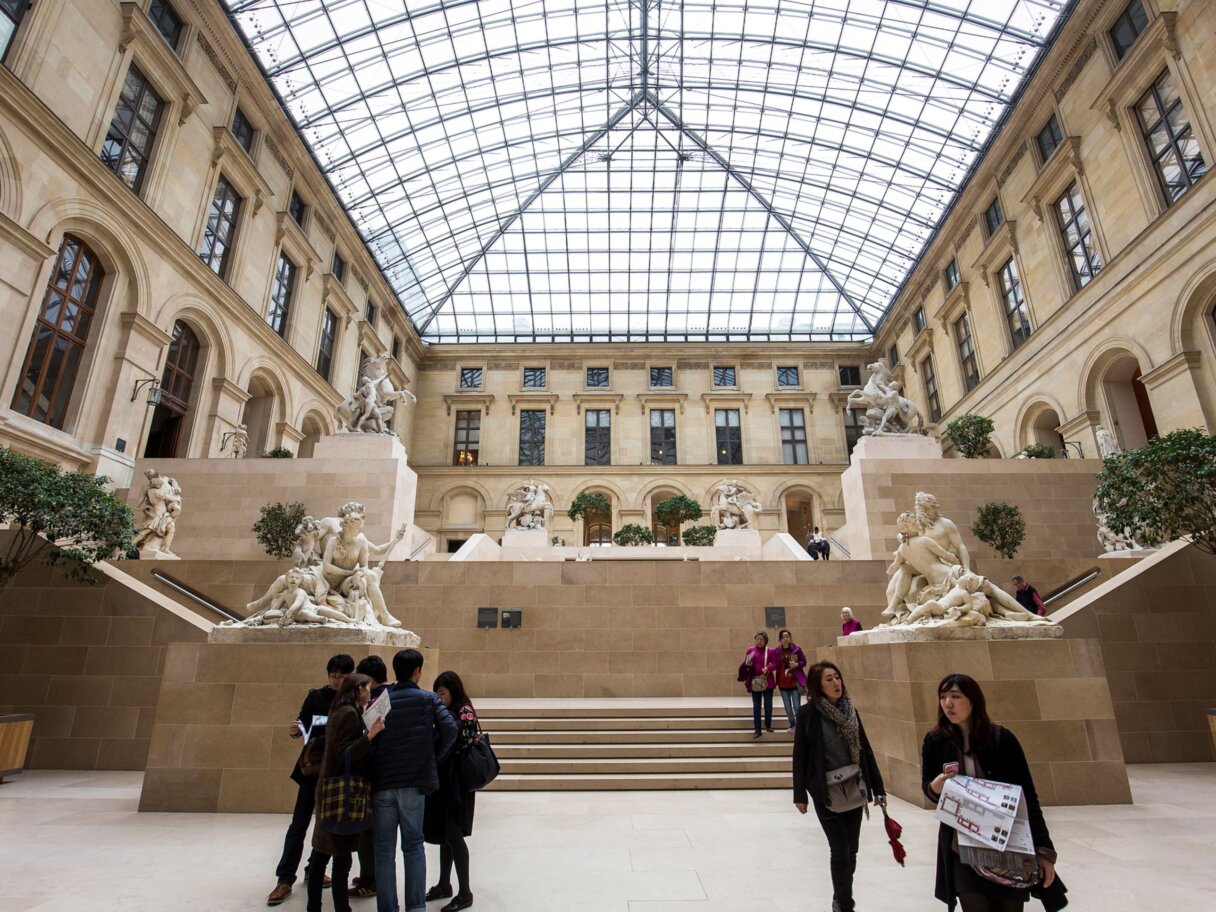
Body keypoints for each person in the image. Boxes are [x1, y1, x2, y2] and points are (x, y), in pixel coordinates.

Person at [921, 674, 1067, 912]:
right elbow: (928, 788)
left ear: (973, 700)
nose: (948, 703)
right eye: (943, 697)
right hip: (962, 844)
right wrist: (935, 786)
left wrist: (1044, 850)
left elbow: (1027, 796)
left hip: (1006, 844)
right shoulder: (935, 741)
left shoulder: (1002, 739)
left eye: (955, 696)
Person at [370, 649, 459, 912]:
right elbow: (450, 728)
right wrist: (433, 757)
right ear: (417, 671)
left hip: (383, 782)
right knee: (413, 846)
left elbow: (368, 735)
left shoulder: (382, 700)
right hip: (413, 782)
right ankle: (416, 907)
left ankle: (387, 908)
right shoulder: (428, 699)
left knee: (384, 851)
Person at [792, 661, 885, 912]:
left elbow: (865, 749)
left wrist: (878, 787)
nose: (836, 683)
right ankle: (844, 904)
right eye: (829, 679)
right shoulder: (808, 714)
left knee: (851, 850)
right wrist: (800, 794)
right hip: (826, 792)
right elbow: (800, 755)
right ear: (818, 686)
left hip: (854, 787)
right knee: (840, 849)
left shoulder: (851, 711)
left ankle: (839, 896)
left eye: (837, 677)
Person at [269, 654, 355, 906]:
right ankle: (285, 878)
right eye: (333, 675)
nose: (336, 680)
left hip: (336, 772)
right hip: (313, 770)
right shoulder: (316, 698)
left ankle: (313, 868)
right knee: (299, 824)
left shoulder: (351, 700)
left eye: (341, 676)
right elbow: (303, 727)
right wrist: (297, 731)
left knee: (327, 825)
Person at [306, 672, 386, 912]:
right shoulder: (349, 713)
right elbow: (345, 753)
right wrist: (370, 735)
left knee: (321, 853)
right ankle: (342, 908)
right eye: (367, 688)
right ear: (358, 689)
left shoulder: (339, 709)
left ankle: (314, 906)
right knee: (340, 857)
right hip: (340, 791)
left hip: (329, 787)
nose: (369, 692)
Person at [424, 671, 481, 912]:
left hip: (457, 782)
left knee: (452, 834)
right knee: (445, 834)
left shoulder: (463, 712)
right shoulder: (446, 711)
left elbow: (459, 743)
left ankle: (465, 892)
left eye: (442, 692)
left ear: (453, 691)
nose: (440, 697)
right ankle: (444, 884)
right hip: (445, 780)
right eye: (437, 692)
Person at [351, 656, 391, 899]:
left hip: (371, 773)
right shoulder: (391, 695)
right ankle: (370, 873)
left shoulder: (374, 701)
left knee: (367, 831)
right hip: (387, 773)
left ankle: (370, 879)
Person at [738, 631, 778, 738]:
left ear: (765, 640)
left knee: (768, 705)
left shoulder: (770, 651)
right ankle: (757, 729)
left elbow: (775, 664)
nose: (759, 641)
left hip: (768, 682)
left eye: (761, 639)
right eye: (757, 639)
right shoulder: (750, 650)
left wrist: (768, 668)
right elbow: (746, 665)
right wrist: (748, 665)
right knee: (756, 706)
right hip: (755, 681)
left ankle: (768, 724)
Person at [775, 629, 808, 732]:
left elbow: (804, 661)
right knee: (787, 707)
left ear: (790, 638)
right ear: (780, 640)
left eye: (787, 636)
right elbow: (774, 664)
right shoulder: (777, 651)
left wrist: (797, 664)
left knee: (797, 706)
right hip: (782, 683)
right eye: (783, 637)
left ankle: (799, 726)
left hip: (794, 682)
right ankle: (792, 724)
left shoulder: (797, 649)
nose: (785, 639)